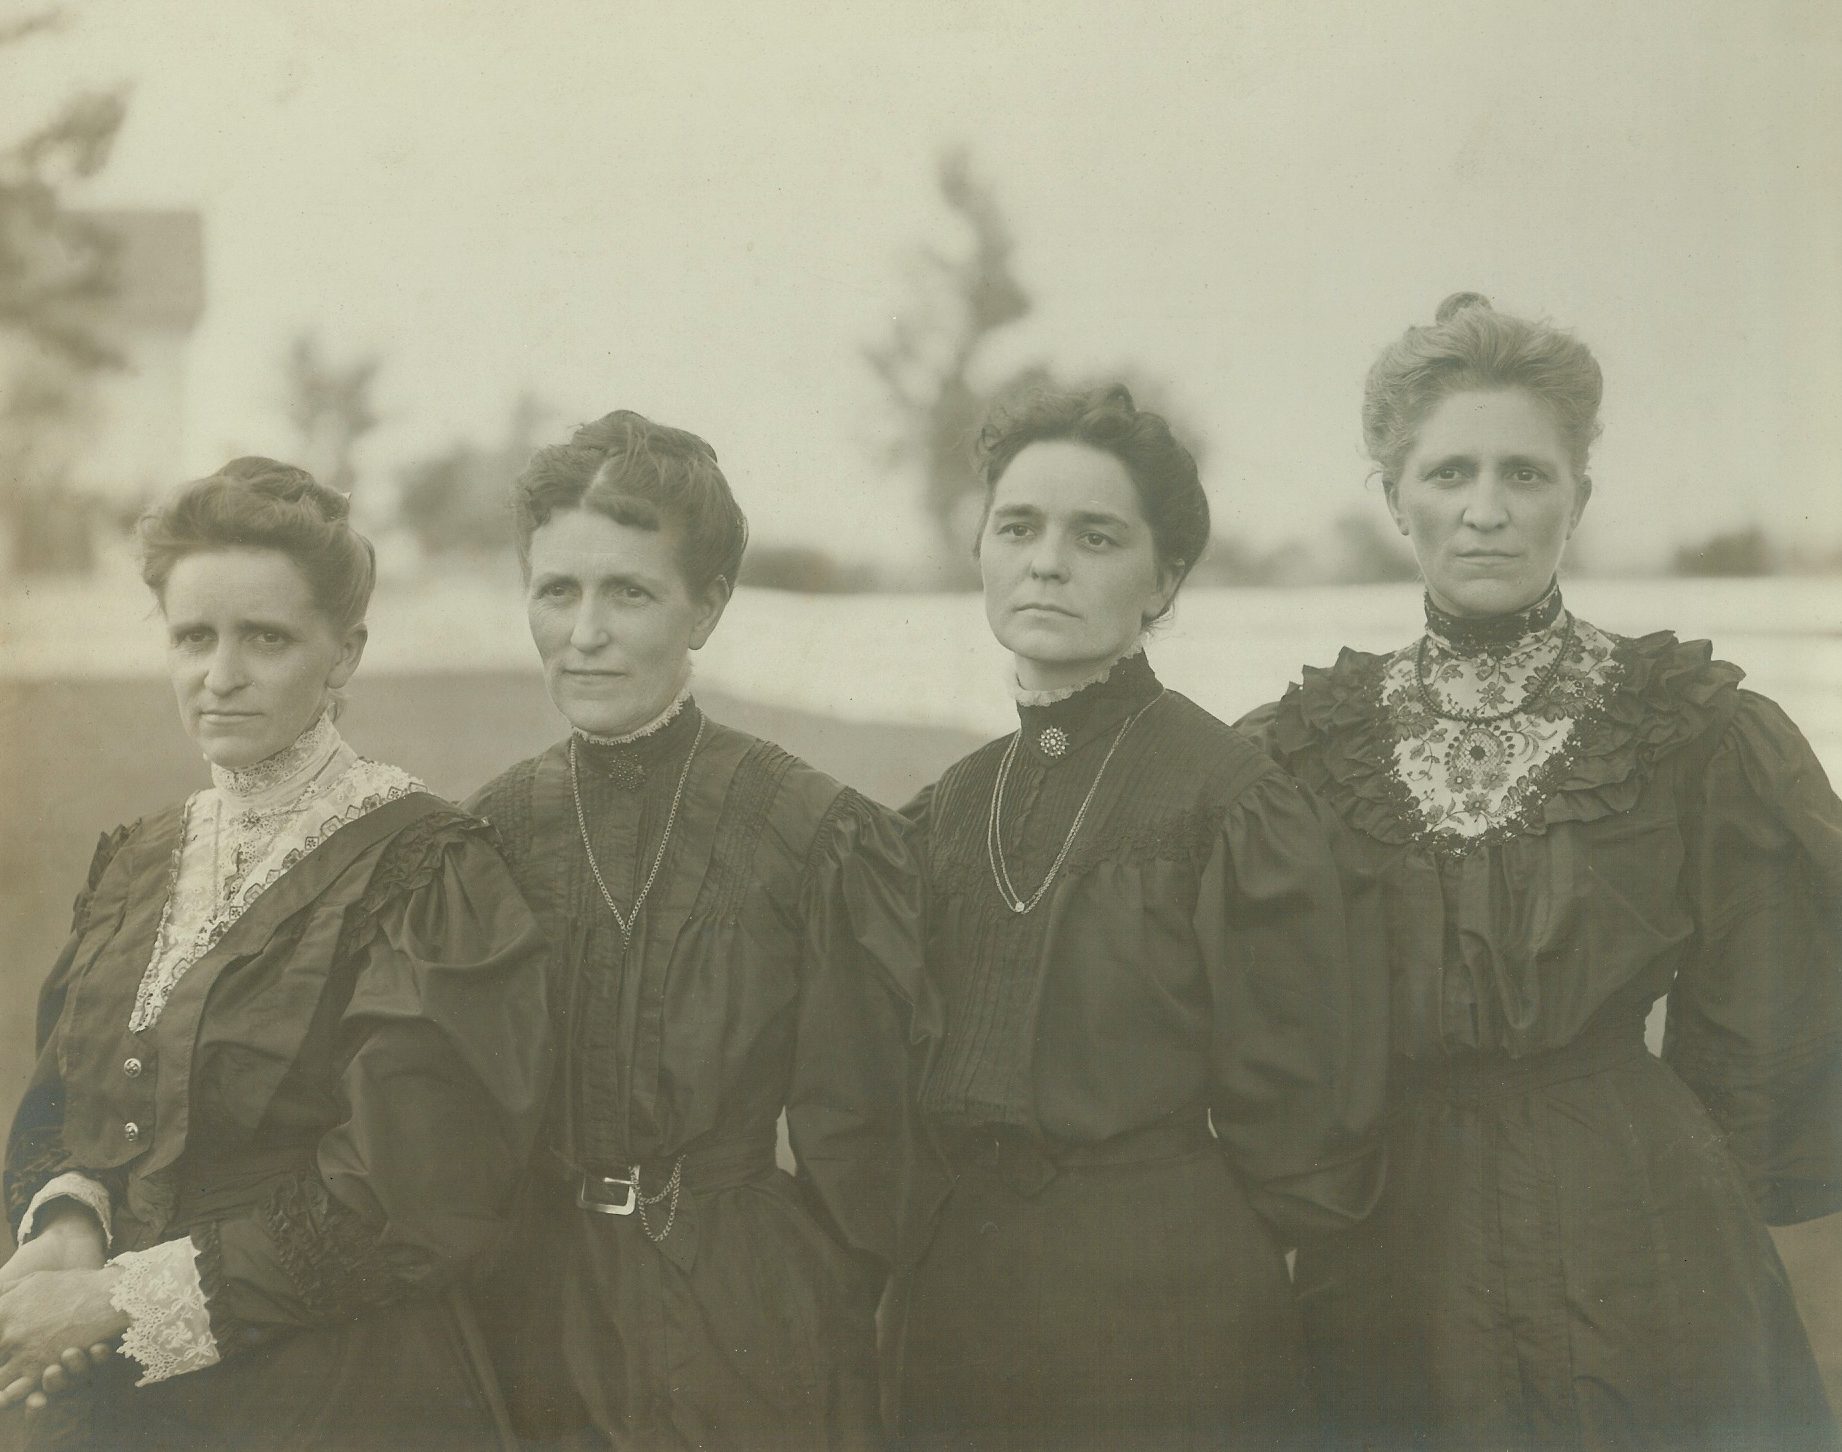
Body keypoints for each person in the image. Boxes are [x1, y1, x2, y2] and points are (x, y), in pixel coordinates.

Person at [1243, 293, 1842, 1451]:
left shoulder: (1691, 727)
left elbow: (1763, 1028)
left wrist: (1668, 1184)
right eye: (1449, 473)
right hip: (1390, 1245)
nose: (1485, 512)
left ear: (1579, 497)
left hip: (1643, 1238)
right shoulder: (1300, 750)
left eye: (1526, 475)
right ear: (1392, 498)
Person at [0, 458, 553, 1451]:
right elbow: (61, 1110)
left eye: (266, 638)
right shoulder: (140, 859)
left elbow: (408, 1203)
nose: (221, 676)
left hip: (332, 1392)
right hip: (115, 1386)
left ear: (343, 654)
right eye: (194, 637)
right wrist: (68, 1226)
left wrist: (116, 1303)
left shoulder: (425, 867)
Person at [895, 384, 1385, 1452]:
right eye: (1017, 527)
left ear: (1164, 578)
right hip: (956, 1312)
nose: (1047, 561)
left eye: (1096, 535)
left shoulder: (1230, 798)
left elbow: (1303, 1121)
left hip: (1166, 1318)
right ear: (980, 550)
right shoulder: (949, 807)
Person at [467, 411, 928, 1450]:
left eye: (629, 591)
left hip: (747, 1321)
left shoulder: (812, 831)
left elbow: (866, 1151)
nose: (585, 633)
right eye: (557, 591)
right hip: (532, 1316)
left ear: (706, 606)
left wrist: (798, 1303)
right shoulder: (486, 834)